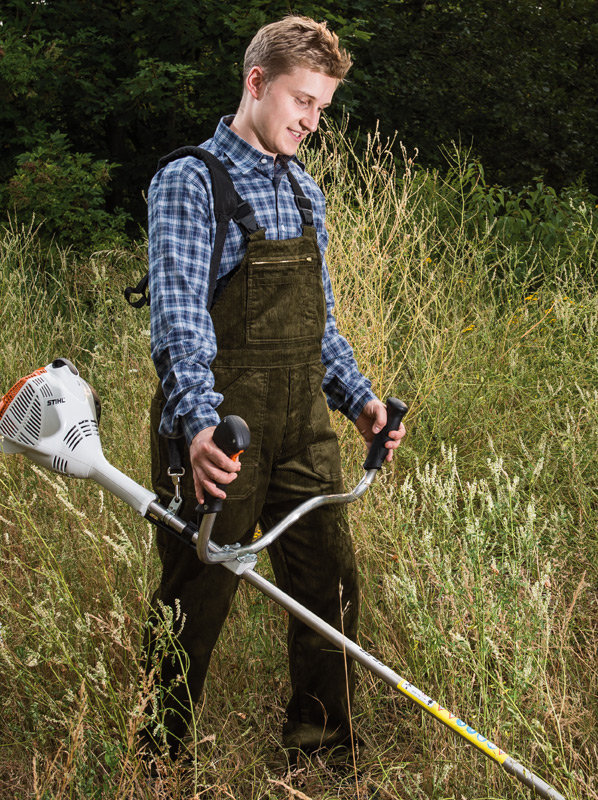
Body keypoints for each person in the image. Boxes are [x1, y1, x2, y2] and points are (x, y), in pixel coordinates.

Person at [142, 15, 406, 769]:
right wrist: (199, 427)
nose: (312, 121)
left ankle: (321, 746)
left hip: (302, 427)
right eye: (302, 101)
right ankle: (157, 760)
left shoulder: (303, 190)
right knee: (196, 596)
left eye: (322, 107)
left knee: (330, 585)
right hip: (222, 434)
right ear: (256, 82)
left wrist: (359, 400)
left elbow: (319, 325)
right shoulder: (192, 181)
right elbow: (180, 322)